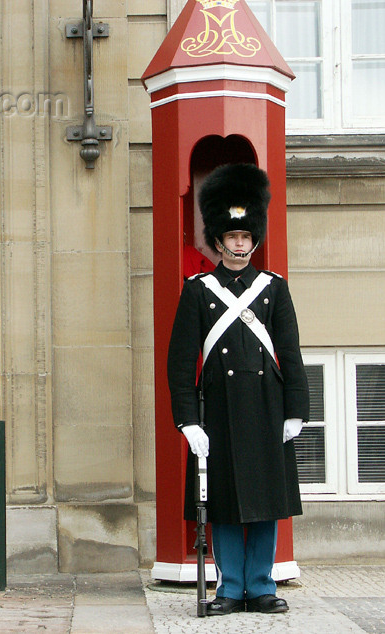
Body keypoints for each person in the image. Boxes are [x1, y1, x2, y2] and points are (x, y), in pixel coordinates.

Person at [167, 163, 310, 616]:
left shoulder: (273, 289)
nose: (239, 244)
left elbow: (290, 352)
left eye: (246, 237)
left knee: (265, 501)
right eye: (232, 237)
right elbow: (179, 360)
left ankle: (261, 585)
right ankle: (230, 588)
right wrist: (188, 420)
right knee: (224, 504)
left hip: (267, 407)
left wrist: (296, 410)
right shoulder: (197, 290)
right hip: (220, 411)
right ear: (219, 240)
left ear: (255, 239)